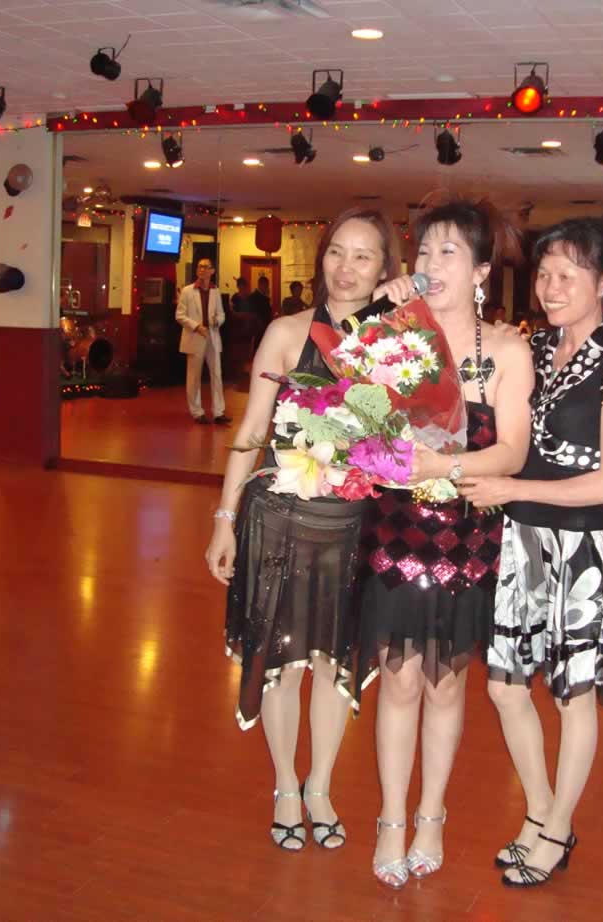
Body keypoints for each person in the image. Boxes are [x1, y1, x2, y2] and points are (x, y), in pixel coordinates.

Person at [458, 216, 603, 889]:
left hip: (583, 550)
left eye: (569, 274)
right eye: (544, 273)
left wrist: (512, 487)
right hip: (521, 541)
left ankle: (558, 824)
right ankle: (542, 812)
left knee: (573, 696)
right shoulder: (530, 349)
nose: (551, 286)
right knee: (504, 686)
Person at [204, 208, 402, 854]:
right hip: (280, 521)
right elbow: (251, 431)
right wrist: (224, 519)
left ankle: (320, 785)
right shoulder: (287, 332)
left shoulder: (396, 344)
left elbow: (412, 433)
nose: (345, 268)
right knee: (284, 664)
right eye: (336, 252)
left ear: (384, 268)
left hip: (351, 527)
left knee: (331, 663)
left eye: (363, 256)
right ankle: (287, 786)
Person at [357, 200, 534, 889]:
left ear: (481, 271)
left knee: (445, 683)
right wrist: (381, 315)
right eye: (424, 251)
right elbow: (357, 420)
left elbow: (513, 452)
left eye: (449, 252)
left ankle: (431, 814)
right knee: (398, 679)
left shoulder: (507, 351)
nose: (431, 264)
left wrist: (443, 465)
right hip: (394, 531)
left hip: (467, 538)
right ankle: (390, 818)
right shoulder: (396, 333)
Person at [177, 258, 229, 424]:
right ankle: (197, 412)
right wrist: (196, 326)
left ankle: (218, 412)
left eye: (206, 267)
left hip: (212, 337)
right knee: (194, 377)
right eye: (200, 267)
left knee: (217, 374)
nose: (202, 269)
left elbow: (221, 314)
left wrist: (217, 321)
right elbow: (179, 315)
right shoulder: (187, 291)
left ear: (212, 271)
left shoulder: (215, 291)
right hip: (195, 337)